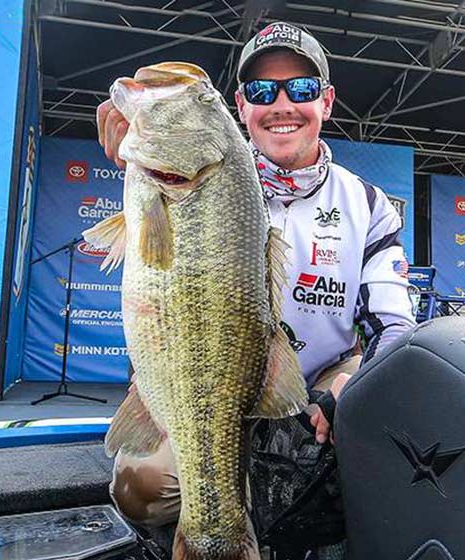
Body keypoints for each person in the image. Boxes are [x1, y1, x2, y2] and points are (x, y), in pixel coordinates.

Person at [99, 21, 416, 528]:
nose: (282, 104)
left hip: (317, 378)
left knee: (378, 461)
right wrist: (135, 170)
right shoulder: (210, 174)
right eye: (263, 90)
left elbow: (394, 325)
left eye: (303, 88)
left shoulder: (370, 204)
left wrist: (348, 389)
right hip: (204, 375)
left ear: (327, 102)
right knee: (142, 487)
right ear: (242, 106)